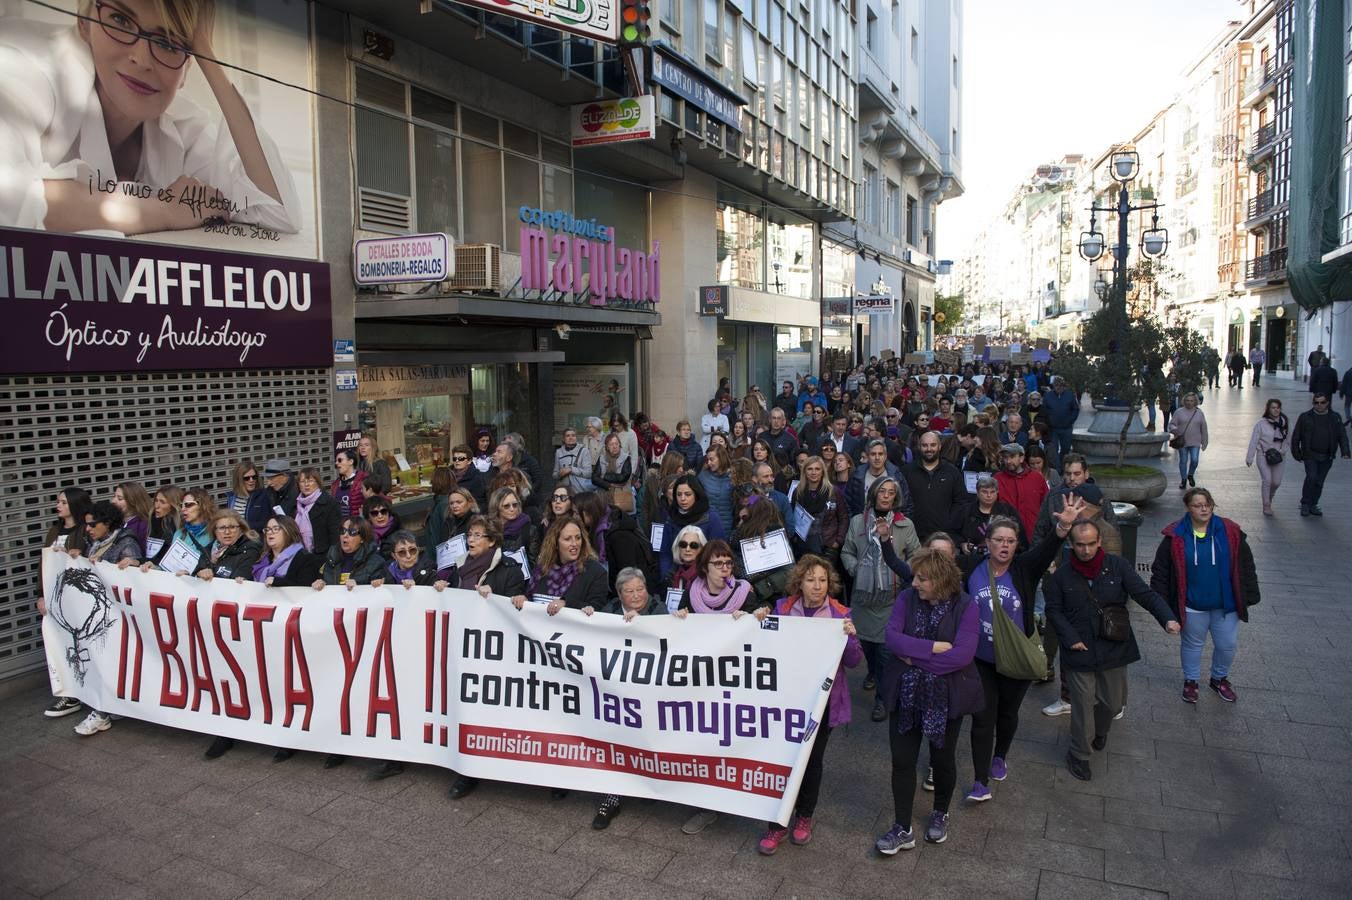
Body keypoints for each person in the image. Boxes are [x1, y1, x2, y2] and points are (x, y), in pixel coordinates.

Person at [1, 0, 302, 235]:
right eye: (120, 20)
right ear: (84, 23)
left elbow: (277, 213)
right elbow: (8, 199)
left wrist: (208, 57)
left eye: (169, 42)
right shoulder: (28, 69)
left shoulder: (183, 128)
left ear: (187, 67)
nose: (142, 60)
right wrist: (164, 210)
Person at [961, 499, 1082, 800]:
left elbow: (1047, 548)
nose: (1005, 546)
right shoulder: (972, 569)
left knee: (1007, 713)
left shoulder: (1025, 568)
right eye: (999, 540)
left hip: (1016, 657)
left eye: (1011, 541)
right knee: (982, 717)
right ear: (987, 542)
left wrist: (1064, 526)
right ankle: (980, 781)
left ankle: (1000, 755)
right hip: (981, 659)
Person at [1046, 520, 1179, 780]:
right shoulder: (1061, 575)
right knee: (1082, 706)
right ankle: (1079, 754)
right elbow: (1053, 610)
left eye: (1091, 544)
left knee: (1112, 703)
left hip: (1113, 645)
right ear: (1071, 545)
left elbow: (1144, 594)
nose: (1085, 550)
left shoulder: (1118, 567)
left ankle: (1100, 729)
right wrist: (1070, 637)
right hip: (1079, 649)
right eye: (1080, 545)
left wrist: (1167, 618)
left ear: (1099, 543)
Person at [873, 548, 983, 853]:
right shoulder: (907, 598)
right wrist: (933, 647)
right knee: (902, 760)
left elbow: (961, 656)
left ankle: (940, 812)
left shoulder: (966, 605)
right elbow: (892, 638)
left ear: (940, 580)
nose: (915, 583)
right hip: (905, 695)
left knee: (943, 759)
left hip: (945, 698)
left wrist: (912, 657)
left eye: (922, 579)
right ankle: (902, 827)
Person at [757, 555, 860, 855]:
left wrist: (851, 638)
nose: (817, 586)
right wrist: (758, 620)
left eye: (823, 580)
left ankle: (804, 816)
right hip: (787, 702)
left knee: (811, 761)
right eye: (811, 580)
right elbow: (764, 647)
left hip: (821, 703)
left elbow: (853, 661)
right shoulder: (782, 610)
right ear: (799, 582)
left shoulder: (840, 614)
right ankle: (777, 823)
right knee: (783, 760)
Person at [672, 538, 769, 835]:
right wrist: (680, 619)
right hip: (701, 681)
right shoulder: (693, 593)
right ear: (705, 567)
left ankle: (726, 796)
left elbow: (763, 628)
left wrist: (754, 618)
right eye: (718, 563)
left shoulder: (744, 594)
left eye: (728, 563)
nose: (725, 569)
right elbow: (678, 630)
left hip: (731, 682)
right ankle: (706, 804)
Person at [1150, 488, 1260, 704]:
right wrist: (1164, 609)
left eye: (1207, 503)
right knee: (1192, 645)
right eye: (1197, 505)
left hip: (1225, 605)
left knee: (1227, 644)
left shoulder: (1230, 531)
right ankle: (1191, 681)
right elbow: (1160, 572)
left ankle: (1219, 679)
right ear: (1187, 508)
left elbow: (1246, 563)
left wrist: (1250, 594)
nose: (1204, 508)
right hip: (1192, 605)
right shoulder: (1175, 536)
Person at [579, 566, 667, 829]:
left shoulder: (659, 611)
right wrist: (587, 617)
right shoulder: (610, 612)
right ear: (619, 594)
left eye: (640, 589)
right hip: (616, 694)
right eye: (629, 591)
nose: (637, 595)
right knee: (613, 741)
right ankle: (611, 796)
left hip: (651, 693)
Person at [841, 477, 919, 720]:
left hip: (891, 600)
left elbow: (916, 556)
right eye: (882, 491)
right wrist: (855, 569)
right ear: (874, 494)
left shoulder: (906, 525)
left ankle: (881, 700)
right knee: (868, 647)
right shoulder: (858, 522)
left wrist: (902, 571)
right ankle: (872, 672)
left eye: (891, 492)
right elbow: (847, 552)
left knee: (885, 651)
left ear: (896, 498)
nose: (886, 496)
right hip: (863, 598)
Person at [66, 499, 144, 737]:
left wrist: (131, 564)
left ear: (108, 523)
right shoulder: (96, 543)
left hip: (117, 618)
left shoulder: (126, 543)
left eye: (92, 524)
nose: (88, 529)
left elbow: (135, 571)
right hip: (99, 614)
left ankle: (101, 712)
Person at [517, 517, 608, 613]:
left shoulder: (596, 572)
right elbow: (531, 600)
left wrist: (567, 604)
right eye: (567, 539)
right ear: (555, 543)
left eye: (578, 538)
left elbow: (598, 610)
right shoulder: (541, 569)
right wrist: (523, 600)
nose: (574, 543)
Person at [1291, 392, 1351, 516]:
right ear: (1313, 403)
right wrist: (1296, 452)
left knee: (1319, 481)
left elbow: (1342, 435)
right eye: (1316, 403)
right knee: (1311, 477)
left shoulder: (1335, 417)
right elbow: (1296, 435)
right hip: (1310, 454)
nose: (1319, 405)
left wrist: (1345, 451)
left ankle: (1313, 504)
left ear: (1327, 403)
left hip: (1327, 455)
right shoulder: (1305, 416)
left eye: (1322, 402)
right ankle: (1305, 504)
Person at [902, 432, 967, 542]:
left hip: (943, 536)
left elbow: (960, 502)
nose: (929, 449)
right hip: (913, 535)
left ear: (939, 446)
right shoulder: (907, 471)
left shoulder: (952, 472)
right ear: (919, 446)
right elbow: (901, 500)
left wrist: (949, 524)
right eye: (924, 445)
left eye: (933, 445)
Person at [147, 486, 216, 569]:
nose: (183, 509)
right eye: (182, 505)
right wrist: (155, 568)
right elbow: (170, 566)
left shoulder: (215, 533)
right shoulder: (179, 533)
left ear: (202, 506)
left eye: (188, 505)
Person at [1245, 399, 1290, 516]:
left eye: (1278, 408)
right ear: (1268, 409)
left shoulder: (1284, 423)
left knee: (1276, 482)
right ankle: (1266, 504)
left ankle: (1270, 497)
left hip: (1279, 456)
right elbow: (1254, 441)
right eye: (1273, 408)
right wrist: (1250, 457)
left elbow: (1288, 439)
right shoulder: (1260, 424)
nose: (1276, 410)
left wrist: (1282, 450)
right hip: (1263, 454)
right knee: (1267, 480)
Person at [993, 443, 1048, 539]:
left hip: (1033, 534)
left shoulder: (1037, 478)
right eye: (1005, 457)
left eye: (1012, 457)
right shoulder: (997, 479)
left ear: (1021, 458)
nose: (1008, 461)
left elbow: (1046, 505)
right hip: (1006, 536)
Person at [959, 476, 1024, 556]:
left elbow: (1020, 537)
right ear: (977, 493)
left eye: (992, 492)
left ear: (997, 492)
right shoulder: (966, 510)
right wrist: (962, 544)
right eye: (984, 492)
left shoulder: (1008, 511)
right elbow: (953, 532)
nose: (989, 495)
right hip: (972, 558)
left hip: (1003, 558)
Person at [192, 510, 262, 580]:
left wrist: (211, 573)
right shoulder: (208, 550)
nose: (227, 532)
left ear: (241, 529)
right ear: (214, 531)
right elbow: (195, 576)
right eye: (222, 528)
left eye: (232, 527)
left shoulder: (250, 550)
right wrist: (199, 574)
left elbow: (239, 582)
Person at [847, 439, 907, 518]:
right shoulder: (857, 476)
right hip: (862, 525)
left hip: (891, 526)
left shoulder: (896, 476)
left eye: (880, 454)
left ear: (885, 456)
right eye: (873, 454)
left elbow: (906, 504)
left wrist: (899, 525)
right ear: (868, 456)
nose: (877, 457)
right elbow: (847, 504)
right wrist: (855, 523)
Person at [292, 467, 340, 557]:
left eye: (310, 481)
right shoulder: (297, 505)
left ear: (318, 483)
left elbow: (335, 536)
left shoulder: (330, 503)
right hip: (302, 556)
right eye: (302, 481)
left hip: (323, 556)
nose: (306, 485)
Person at [1167, 392, 1208, 490]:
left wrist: (1205, 442)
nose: (1190, 403)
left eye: (1192, 401)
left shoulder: (1199, 413)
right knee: (1183, 461)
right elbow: (1171, 424)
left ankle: (1190, 474)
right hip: (1182, 441)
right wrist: (1175, 430)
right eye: (1188, 401)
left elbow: (1204, 428)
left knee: (1194, 460)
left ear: (1195, 402)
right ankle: (1183, 480)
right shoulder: (1179, 412)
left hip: (1195, 441)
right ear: (1184, 401)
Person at [698, 444, 734, 537]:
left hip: (729, 527)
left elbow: (753, 497)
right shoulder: (703, 475)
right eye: (707, 460)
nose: (709, 463)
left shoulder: (735, 476)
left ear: (721, 458)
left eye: (712, 459)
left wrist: (748, 506)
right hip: (707, 525)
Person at [223, 461, 269, 533]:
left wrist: (242, 525)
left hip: (254, 540)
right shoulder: (231, 498)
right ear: (239, 480)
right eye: (246, 478)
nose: (251, 480)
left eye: (254, 477)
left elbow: (266, 523)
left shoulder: (263, 495)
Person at [1042, 377, 1079, 466]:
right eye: (1056, 385)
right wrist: (1048, 421)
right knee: (1053, 450)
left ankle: (1064, 466)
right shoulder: (1048, 396)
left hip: (1066, 428)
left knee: (1065, 449)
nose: (1058, 387)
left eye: (1060, 385)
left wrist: (1070, 420)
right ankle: (1057, 469)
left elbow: (1075, 409)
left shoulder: (1070, 395)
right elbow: (1044, 410)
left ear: (1064, 386)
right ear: (1053, 386)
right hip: (1053, 428)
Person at [667, 524, 707, 595]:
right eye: (683, 544)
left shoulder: (707, 575)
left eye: (693, 545)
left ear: (702, 548)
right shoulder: (671, 576)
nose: (687, 549)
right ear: (678, 548)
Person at [552, 426, 593, 495]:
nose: (571, 438)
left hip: (579, 491)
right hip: (564, 491)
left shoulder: (584, 451)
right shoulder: (558, 452)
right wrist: (560, 473)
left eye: (573, 435)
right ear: (564, 439)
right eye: (568, 436)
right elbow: (554, 474)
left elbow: (588, 473)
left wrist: (571, 469)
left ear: (576, 438)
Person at [330, 449, 367, 520]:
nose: (337, 463)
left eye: (340, 460)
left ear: (351, 461)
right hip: (341, 525)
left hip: (358, 525)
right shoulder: (335, 484)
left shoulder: (364, 479)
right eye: (336, 461)